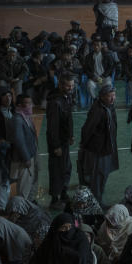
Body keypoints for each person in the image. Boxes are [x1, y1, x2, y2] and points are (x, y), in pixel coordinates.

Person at [28, 212, 94, 264]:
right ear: (56, 229)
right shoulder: (50, 243)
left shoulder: (81, 240)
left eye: (69, 227)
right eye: (63, 228)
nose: (67, 231)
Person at [79, 84, 119, 203]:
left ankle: (98, 196)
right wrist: (86, 146)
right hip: (99, 149)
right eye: (109, 96)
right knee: (98, 176)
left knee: (103, 174)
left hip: (106, 147)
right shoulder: (98, 110)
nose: (113, 98)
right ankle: (97, 202)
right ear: (102, 97)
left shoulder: (109, 107)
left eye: (114, 95)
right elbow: (87, 129)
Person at [46, 72, 75, 208]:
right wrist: (56, 145)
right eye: (68, 86)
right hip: (57, 143)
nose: (71, 88)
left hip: (64, 140)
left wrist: (70, 135)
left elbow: (67, 119)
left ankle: (63, 193)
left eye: (72, 86)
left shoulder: (66, 97)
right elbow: (53, 127)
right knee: (56, 170)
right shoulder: (55, 102)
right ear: (61, 85)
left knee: (66, 168)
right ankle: (55, 198)